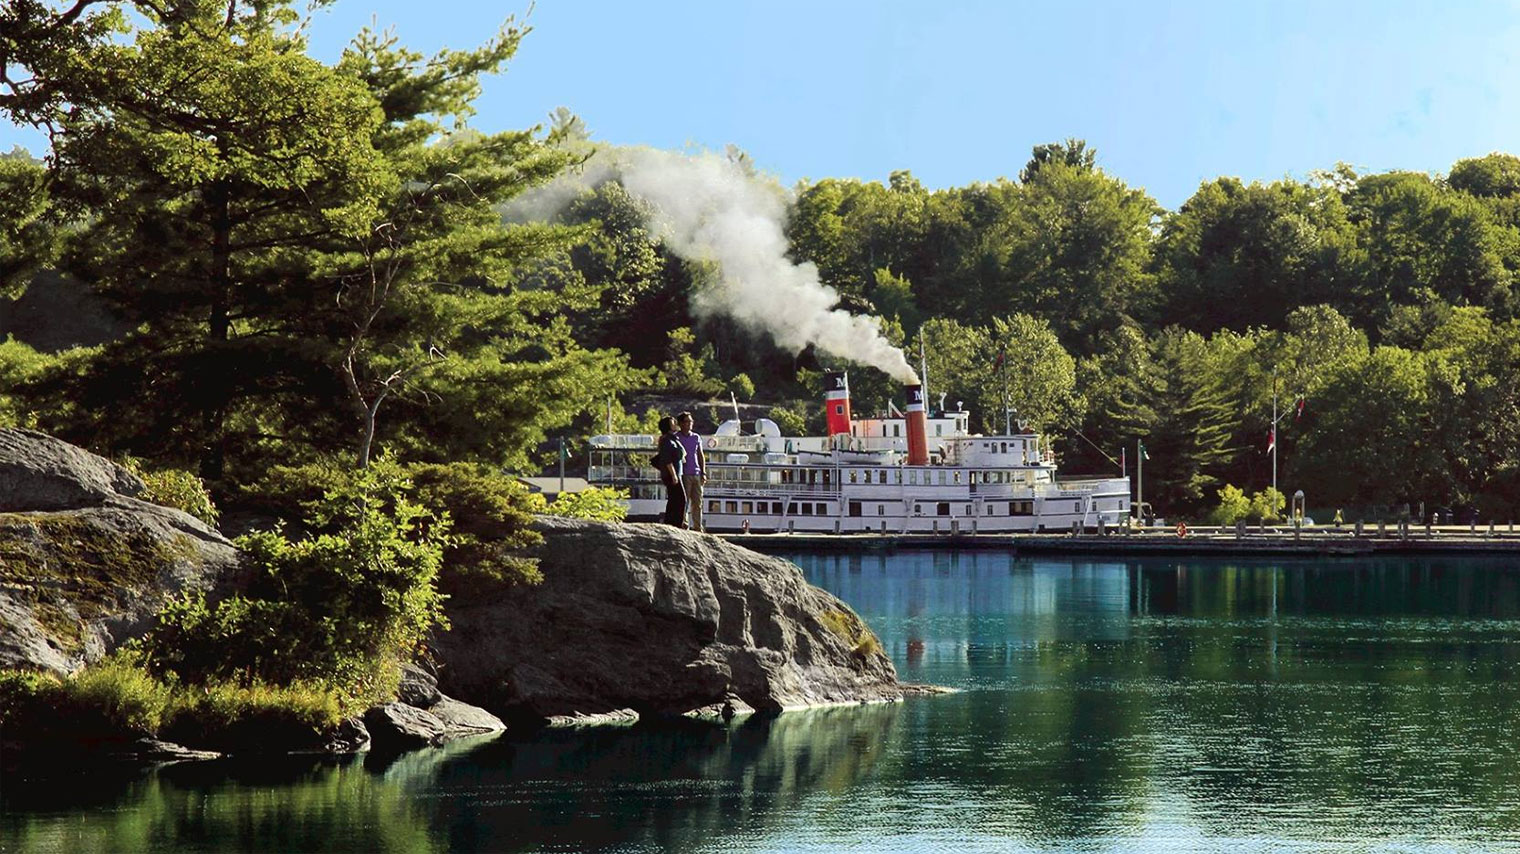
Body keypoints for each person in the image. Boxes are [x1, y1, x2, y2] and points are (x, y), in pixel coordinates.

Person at [675, 411, 708, 532]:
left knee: (697, 502)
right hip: (684, 473)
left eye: (691, 421)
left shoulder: (696, 437)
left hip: (696, 473)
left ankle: (697, 527)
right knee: (684, 501)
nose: (690, 424)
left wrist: (703, 472)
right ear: (680, 423)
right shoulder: (676, 437)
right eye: (687, 421)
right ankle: (684, 525)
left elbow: (700, 455)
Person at [652, 416, 687, 527]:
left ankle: (672, 522)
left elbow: (680, 453)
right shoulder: (667, 441)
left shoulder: (673, 439)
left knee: (674, 499)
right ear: (668, 426)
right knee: (681, 499)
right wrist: (674, 475)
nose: (675, 424)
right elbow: (667, 460)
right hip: (671, 474)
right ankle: (675, 523)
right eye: (673, 423)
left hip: (676, 473)